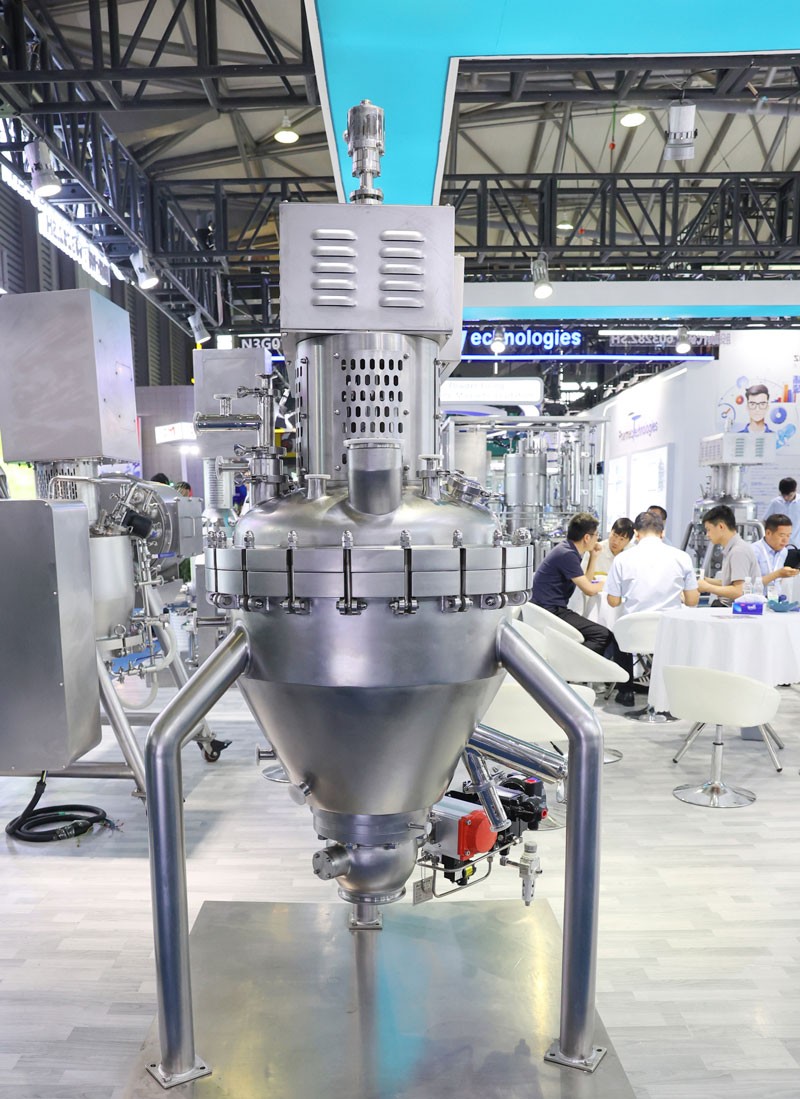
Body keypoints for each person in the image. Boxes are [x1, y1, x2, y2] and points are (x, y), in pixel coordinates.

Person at [530, 511, 632, 703]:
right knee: (603, 634)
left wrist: (593, 556)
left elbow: (587, 581)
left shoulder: (568, 550)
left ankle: (569, 672)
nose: (598, 539)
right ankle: (566, 672)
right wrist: (610, 584)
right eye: (596, 535)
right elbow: (589, 589)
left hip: (549, 608)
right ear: (587, 537)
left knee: (598, 632)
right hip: (550, 610)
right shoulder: (567, 554)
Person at [606, 511, 699, 616]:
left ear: (636, 533)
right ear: (662, 533)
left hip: (633, 623)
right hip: (669, 623)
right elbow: (692, 601)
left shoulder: (621, 559)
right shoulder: (683, 557)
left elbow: (613, 601)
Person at [696, 503, 760, 606]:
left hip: (733, 609)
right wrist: (706, 580)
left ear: (721, 526)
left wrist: (708, 587)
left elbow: (739, 591)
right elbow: (729, 582)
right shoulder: (732, 549)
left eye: (708, 530)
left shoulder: (738, 551)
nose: (707, 535)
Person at [752, 513, 799, 597]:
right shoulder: (753, 551)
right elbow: (751, 583)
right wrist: (777, 574)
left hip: (775, 599)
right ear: (768, 533)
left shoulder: (784, 551)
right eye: (782, 535)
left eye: (788, 535)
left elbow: (778, 581)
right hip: (757, 599)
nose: (785, 540)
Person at [764, 477, 800, 546]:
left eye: (789, 495)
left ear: (795, 490)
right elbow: (765, 521)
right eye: (783, 495)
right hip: (778, 545)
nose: (786, 498)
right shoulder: (775, 503)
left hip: (797, 545)